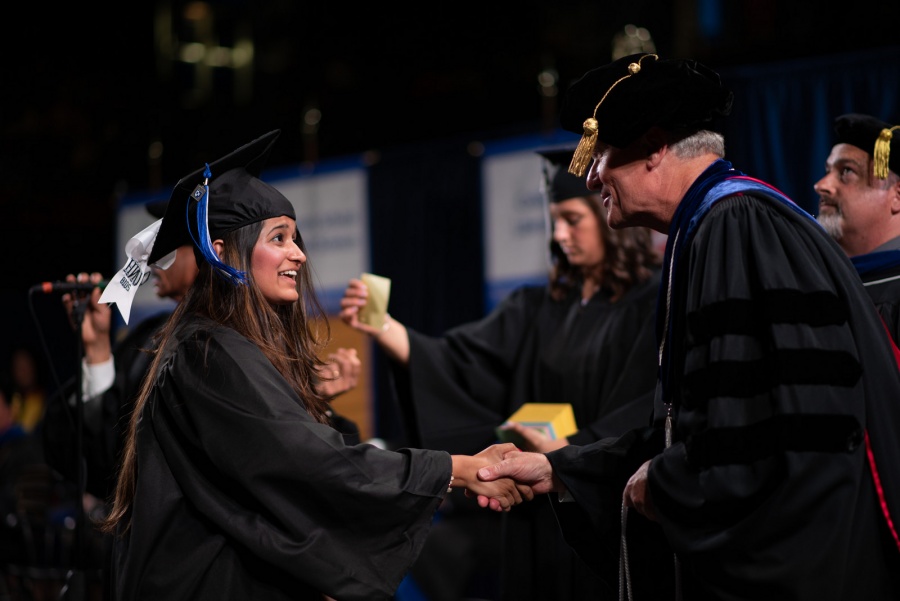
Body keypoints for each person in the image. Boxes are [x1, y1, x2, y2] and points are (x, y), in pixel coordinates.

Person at [477, 53, 900, 600]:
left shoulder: (736, 224)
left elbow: (775, 433)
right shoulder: (710, 225)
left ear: (654, 150)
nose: (590, 176)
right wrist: (559, 469)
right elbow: (699, 429)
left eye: (601, 153)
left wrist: (672, 483)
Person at [98, 129, 530, 601]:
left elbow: (277, 467)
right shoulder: (209, 351)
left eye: (295, 238)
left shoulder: (224, 344)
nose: (298, 254)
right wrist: (454, 468)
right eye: (278, 238)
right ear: (221, 253)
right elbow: (306, 461)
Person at [339, 147, 662, 600]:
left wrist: (575, 450)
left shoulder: (652, 302)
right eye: (555, 222)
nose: (562, 235)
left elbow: (647, 400)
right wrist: (384, 327)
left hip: (601, 500)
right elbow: (463, 363)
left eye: (573, 219)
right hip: (534, 502)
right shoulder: (535, 307)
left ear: (605, 211)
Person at [42, 198, 362, 502]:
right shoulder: (149, 338)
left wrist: (309, 399)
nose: (152, 260)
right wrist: (97, 351)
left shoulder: (237, 342)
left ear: (204, 251)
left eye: (164, 245)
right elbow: (113, 460)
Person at [815, 112, 900, 344]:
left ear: (897, 197)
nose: (820, 185)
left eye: (846, 172)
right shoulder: (820, 280)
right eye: (827, 171)